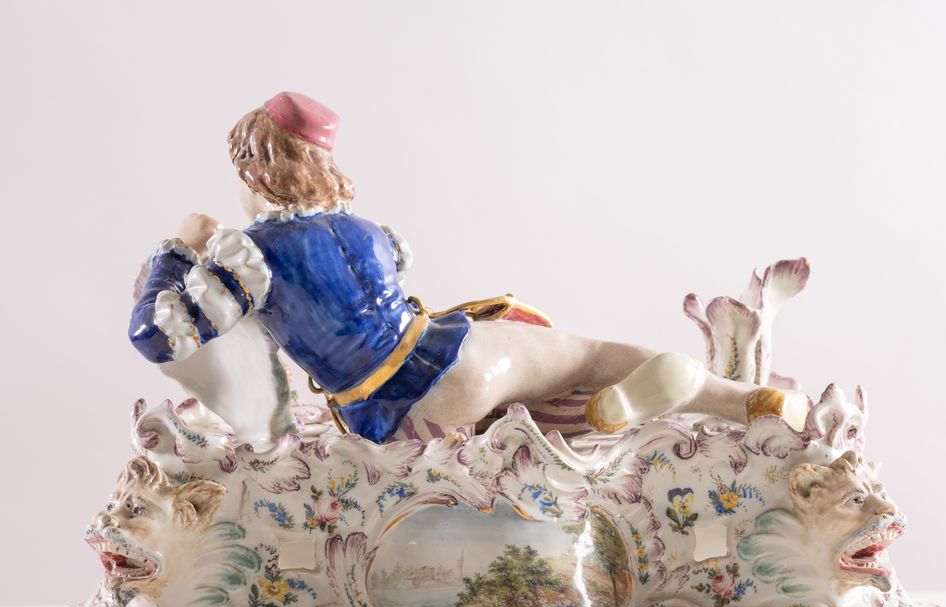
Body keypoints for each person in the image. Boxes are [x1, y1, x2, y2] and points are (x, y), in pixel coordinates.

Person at [129, 92, 806, 444]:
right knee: (589, 355)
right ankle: (730, 398)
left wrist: (178, 250)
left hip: (397, 408)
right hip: (465, 350)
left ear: (256, 170)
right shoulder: (369, 233)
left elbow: (160, 337)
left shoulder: (248, 253)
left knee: (511, 419)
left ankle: (630, 409)